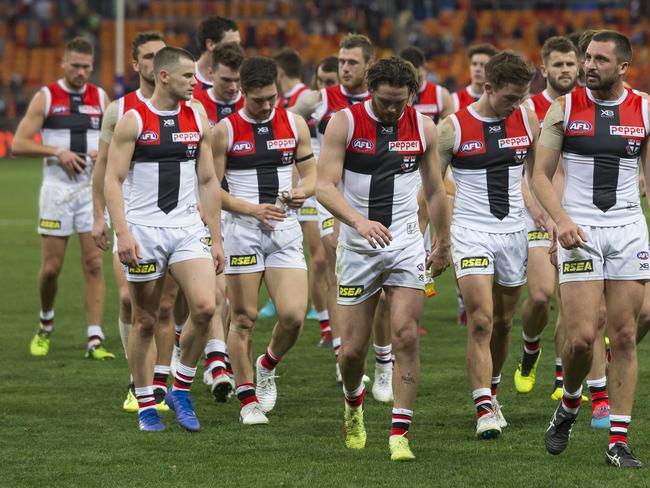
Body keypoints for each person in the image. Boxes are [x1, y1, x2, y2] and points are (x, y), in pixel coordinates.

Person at [317, 56, 451, 461]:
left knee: (406, 335)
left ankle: (399, 433)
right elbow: (324, 186)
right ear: (370, 91)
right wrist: (358, 222)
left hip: (406, 244)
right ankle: (354, 405)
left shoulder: (423, 127)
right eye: (384, 102)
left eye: (400, 102)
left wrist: (442, 242)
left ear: (412, 94)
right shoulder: (345, 123)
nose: (392, 110)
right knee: (353, 351)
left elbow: (435, 190)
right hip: (359, 246)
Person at [534, 30, 649, 468]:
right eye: (587, 57)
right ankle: (570, 403)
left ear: (623, 67)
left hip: (627, 230)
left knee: (624, 335)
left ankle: (617, 441)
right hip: (578, 231)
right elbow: (540, 176)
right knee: (581, 340)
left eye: (600, 59)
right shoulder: (562, 109)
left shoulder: (644, 109)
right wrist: (559, 222)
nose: (588, 65)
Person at [105, 46, 225, 432]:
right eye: (189, 76)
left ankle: (181, 388)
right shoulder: (133, 120)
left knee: (206, 306)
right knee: (145, 320)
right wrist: (122, 233)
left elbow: (208, 180)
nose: (195, 82)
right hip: (144, 230)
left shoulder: (197, 116)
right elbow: (113, 180)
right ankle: (145, 405)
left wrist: (217, 238)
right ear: (164, 77)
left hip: (187, 227)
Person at [211, 56, 316, 425]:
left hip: (285, 229)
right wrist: (251, 209)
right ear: (242, 92)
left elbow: (311, 172)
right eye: (259, 100)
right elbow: (210, 190)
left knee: (292, 315)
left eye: (272, 97)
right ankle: (247, 400)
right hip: (243, 231)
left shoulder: (294, 123)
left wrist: (304, 190)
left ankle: (267, 364)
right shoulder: (225, 130)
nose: (267, 105)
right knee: (243, 318)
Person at [439, 50, 538, 439]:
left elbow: (538, 175)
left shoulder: (527, 118)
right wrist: (438, 240)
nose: (516, 105)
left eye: (521, 97)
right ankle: (482, 406)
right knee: (480, 318)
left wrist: (547, 216)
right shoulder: (453, 127)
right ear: (488, 87)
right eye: (509, 98)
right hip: (471, 230)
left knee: (503, 322)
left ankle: (493, 391)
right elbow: (432, 187)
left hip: (515, 232)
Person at [91, 31, 178, 412]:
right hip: (130, 217)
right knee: (129, 298)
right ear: (136, 64)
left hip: (173, 217)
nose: (154, 61)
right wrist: (99, 216)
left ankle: (157, 383)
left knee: (165, 305)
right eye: (147, 56)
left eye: (160, 55)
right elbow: (103, 169)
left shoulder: (184, 107)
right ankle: (136, 379)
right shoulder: (120, 109)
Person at [12, 37, 113, 360]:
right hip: (57, 192)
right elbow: (18, 144)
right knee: (52, 268)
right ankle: (45, 323)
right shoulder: (46, 97)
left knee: (94, 263)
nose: (82, 72)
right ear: (63, 63)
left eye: (87, 66)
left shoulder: (100, 98)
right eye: (76, 66)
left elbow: (116, 142)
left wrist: (104, 152)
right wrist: (58, 151)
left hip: (89, 192)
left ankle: (94, 339)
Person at [515, 36, 579, 394]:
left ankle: (561, 376)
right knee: (540, 297)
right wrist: (533, 204)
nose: (565, 70)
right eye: (558, 64)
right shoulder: (527, 108)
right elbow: (522, 165)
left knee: (572, 301)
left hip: (576, 212)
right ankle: (530, 344)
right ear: (545, 69)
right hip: (537, 212)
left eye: (571, 64)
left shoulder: (588, 105)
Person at [193, 40, 246, 401]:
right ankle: (215, 359)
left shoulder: (251, 104)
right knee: (210, 291)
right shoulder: (196, 105)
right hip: (196, 206)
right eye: (226, 79)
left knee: (223, 292)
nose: (232, 87)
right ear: (211, 73)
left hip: (236, 208)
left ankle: (216, 358)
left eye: (237, 81)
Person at [399, 46, 454, 123]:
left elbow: (450, 130)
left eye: (418, 77)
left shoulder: (441, 94)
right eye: (411, 78)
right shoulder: (394, 94)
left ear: (425, 68)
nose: (415, 83)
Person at [193, 16, 240, 97]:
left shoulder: (243, 81)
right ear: (210, 45)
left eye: (238, 45)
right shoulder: (184, 78)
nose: (237, 50)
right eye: (231, 45)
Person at [452, 44, 498, 112]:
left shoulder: (498, 99)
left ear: (493, 69)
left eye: (483, 65)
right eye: (474, 64)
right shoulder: (455, 99)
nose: (477, 69)